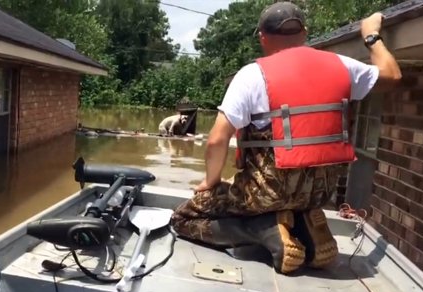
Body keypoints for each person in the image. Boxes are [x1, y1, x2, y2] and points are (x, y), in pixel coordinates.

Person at [170, 2, 401, 273]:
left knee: (183, 218)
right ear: (304, 32)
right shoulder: (342, 66)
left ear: (262, 37)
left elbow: (216, 140)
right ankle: (303, 226)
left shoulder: (252, 75)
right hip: (319, 194)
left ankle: (260, 231)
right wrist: (371, 35)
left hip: (266, 193)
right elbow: (392, 75)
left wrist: (210, 182)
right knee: (284, 204)